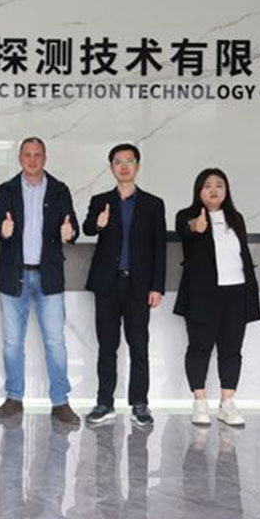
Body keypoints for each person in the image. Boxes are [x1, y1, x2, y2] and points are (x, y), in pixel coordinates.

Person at [0, 136, 80, 425]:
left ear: (45, 158)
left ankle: (61, 401)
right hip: (13, 274)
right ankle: (14, 398)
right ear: (20, 158)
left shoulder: (59, 189)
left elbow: (72, 226)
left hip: (48, 275)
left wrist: (70, 233)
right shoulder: (6, 189)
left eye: (37, 155)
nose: (32, 160)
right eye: (27, 155)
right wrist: (2, 230)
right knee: (12, 343)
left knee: (55, 343)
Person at [82, 143, 166, 427]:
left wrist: (157, 286)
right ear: (111, 168)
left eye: (129, 161)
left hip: (139, 285)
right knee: (107, 346)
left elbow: (159, 248)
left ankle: (140, 404)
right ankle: (104, 402)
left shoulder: (153, 204)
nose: (124, 166)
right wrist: (99, 223)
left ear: (137, 166)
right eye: (118, 162)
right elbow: (87, 229)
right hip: (107, 283)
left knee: (139, 346)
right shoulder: (100, 200)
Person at [174, 168, 260, 427]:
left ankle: (227, 403)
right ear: (198, 191)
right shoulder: (187, 216)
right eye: (208, 185)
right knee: (199, 348)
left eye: (219, 185)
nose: (214, 190)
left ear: (226, 191)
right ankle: (200, 402)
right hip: (203, 294)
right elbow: (185, 230)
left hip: (237, 292)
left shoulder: (236, 218)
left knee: (232, 350)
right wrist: (195, 226)